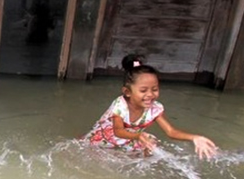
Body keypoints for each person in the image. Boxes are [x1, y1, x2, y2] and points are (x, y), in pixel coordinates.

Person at [85, 54, 217, 159]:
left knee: (151, 143)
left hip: (132, 137)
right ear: (127, 92)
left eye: (154, 89)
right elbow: (118, 131)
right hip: (105, 136)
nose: (150, 95)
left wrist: (195, 137)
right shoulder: (120, 105)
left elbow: (171, 132)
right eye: (143, 90)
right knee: (90, 153)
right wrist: (138, 136)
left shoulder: (155, 108)